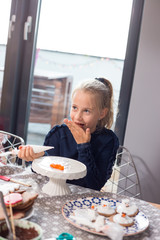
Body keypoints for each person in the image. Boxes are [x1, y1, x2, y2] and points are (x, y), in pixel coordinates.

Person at [18, 77, 119, 191]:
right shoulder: (58, 134)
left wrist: (83, 146)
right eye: (75, 108)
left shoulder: (108, 140)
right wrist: (36, 158)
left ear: (102, 113)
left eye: (86, 111)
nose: (77, 117)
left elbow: (94, 185)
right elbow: (44, 175)